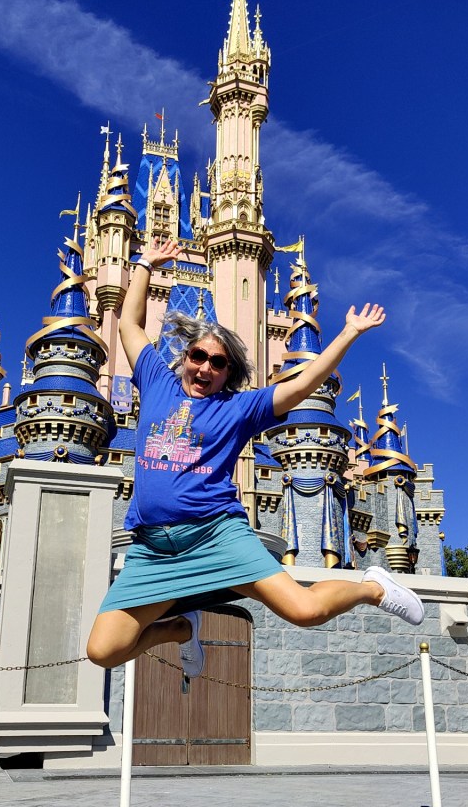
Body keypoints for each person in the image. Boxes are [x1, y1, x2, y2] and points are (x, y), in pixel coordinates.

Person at [87, 238, 424, 678]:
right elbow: (130, 324)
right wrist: (145, 264)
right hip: (152, 547)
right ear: (185, 357)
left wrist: (348, 333)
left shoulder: (237, 408)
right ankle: (180, 629)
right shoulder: (156, 381)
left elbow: (300, 386)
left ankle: (372, 587)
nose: (205, 368)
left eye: (218, 362)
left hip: (214, 534)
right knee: (104, 650)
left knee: (305, 611)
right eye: (199, 356)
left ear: (229, 372)